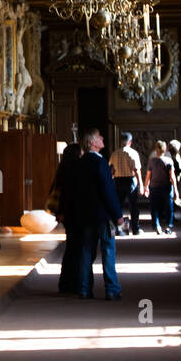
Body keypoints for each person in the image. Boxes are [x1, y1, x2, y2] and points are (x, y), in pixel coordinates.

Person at [74, 127, 123, 300]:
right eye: (98, 136)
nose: (102, 137)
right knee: (108, 250)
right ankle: (111, 289)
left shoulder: (79, 163)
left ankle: (85, 289)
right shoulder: (100, 163)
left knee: (86, 252)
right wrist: (117, 214)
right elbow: (107, 191)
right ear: (92, 143)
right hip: (102, 215)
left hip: (86, 215)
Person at [48, 144, 83, 295]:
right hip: (73, 213)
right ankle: (71, 283)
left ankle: (66, 283)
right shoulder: (74, 170)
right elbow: (70, 195)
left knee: (71, 249)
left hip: (66, 214)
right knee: (75, 250)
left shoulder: (62, 169)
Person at [108, 132, 144, 235]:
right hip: (130, 181)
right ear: (130, 142)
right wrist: (141, 185)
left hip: (118, 181)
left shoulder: (114, 153)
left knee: (118, 206)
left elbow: (111, 170)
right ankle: (136, 229)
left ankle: (119, 229)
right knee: (133, 206)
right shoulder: (133, 153)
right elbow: (136, 170)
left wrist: (111, 182)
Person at [146, 141, 178, 235]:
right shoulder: (169, 161)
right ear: (165, 149)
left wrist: (145, 186)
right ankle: (169, 226)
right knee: (169, 208)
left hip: (154, 186)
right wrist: (176, 189)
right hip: (166, 187)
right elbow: (172, 177)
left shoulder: (152, 161)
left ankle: (157, 226)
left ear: (156, 149)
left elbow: (148, 175)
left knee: (154, 207)